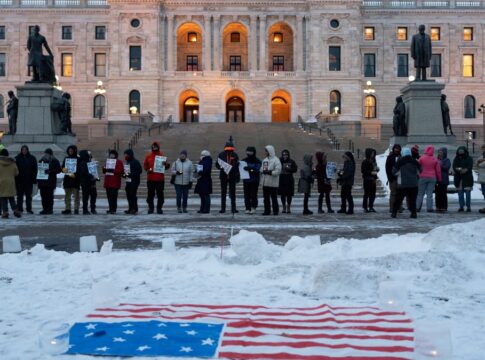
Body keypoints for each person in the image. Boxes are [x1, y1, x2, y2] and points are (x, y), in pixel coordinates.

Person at [391, 147, 421, 218]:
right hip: (414, 184)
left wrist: (398, 174)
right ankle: (414, 213)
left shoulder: (400, 161)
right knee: (412, 200)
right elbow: (421, 170)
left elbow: (393, 171)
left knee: (399, 199)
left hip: (403, 184)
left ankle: (394, 213)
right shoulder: (414, 161)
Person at [144, 141, 170, 214]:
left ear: (158, 147)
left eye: (156, 146)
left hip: (160, 179)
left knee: (160, 195)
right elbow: (145, 165)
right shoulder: (148, 156)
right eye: (153, 146)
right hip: (151, 178)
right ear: (152, 147)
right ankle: (151, 208)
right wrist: (148, 169)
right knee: (150, 195)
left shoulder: (162, 155)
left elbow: (166, 167)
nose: (154, 147)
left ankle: (159, 208)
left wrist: (166, 165)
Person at [216, 140, 240, 213]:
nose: (229, 149)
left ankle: (233, 208)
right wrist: (221, 167)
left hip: (232, 176)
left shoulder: (235, 155)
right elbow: (217, 164)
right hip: (223, 176)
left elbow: (237, 166)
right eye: (228, 147)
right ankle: (223, 208)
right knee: (223, 193)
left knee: (233, 193)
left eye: (230, 148)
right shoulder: (221, 154)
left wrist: (236, 166)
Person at [416, 146, 441, 212]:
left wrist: (418, 175)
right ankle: (429, 208)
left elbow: (417, 167)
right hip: (432, 177)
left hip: (422, 177)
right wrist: (439, 179)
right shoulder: (435, 159)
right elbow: (438, 170)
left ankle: (417, 207)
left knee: (420, 193)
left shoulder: (421, 158)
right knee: (429, 194)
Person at [37, 148, 61, 215]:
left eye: (47, 154)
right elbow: (39, 171)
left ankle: (50, 209)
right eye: (45, 154)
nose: (46, 155)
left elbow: (59, 170)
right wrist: (38, 181)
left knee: (50, 197)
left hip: (51, 182)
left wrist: (50, 171)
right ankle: (44, 209)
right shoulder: (41, 160)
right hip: (43, 182)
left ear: (50, 154)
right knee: (43, 196)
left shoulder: (55, 161)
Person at [15, 145, 37, 214]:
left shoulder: (32, 158)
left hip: (29, 180)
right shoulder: (17, 158)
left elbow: (35, 169)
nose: (24, 151)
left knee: (28, 196)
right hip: (20, 181)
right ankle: (19, 208)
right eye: (23, 150)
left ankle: (29, 209)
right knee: (19, 196)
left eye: (25, 150)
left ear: (27, 150)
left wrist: (34, 179)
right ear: (21, 150)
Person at [260, 145, 282, 216]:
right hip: (265, 182)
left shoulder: (276, 160)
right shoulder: (265, 160)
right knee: (266, 198)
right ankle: (267, 210)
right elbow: (261, 169)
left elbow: (278, 171)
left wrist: (270, 172)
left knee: (274, 198)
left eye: (266, 151)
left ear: (270, 151)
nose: (265, 152)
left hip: (273, 183)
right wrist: (262, 171)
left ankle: (275, 211)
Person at [0, 149, 21, 219]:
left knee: (3, 198)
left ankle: (5, 212)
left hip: (1, 182)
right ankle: (16, 210)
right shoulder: (12, 162)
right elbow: (16, 173)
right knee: (11, 198)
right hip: (10, 182)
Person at [102, 149, 124, 214]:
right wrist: (104, 169)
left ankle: (113, 209)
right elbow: (105, 171)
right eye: (110, 154)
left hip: (115, 182)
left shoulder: (119, 162)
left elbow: (121, 171)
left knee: (113, 197)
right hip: (108, 182)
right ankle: (110, 208)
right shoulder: (108, 161)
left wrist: (112, 170)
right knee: (109, 196)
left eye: (113, 154)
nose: (111, 155)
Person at [453, 146, 473, 212]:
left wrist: (466, 170)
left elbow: (470, 166)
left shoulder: (469, 158)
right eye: (459, 150)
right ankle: (461, 206)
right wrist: (457, 169)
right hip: (459, 178)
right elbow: (454, 166)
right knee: (460, 193)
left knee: (468, 193)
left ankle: (468, 207)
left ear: (465, 151)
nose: (460, 151)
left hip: (467, 178)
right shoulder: (456, 158)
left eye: (462, 150)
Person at [61, 145, 80, 215]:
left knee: (76, 196)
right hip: (67, 180)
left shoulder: (78, 159)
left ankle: (76, 209)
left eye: (72, 151)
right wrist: (66, 171)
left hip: (75, 179)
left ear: (74, 151)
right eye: (69, 151)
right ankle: (68, 208)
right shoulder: (66, 159)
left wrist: (75, 174)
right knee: (67, 196)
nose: (70, 152)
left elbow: (80, 169)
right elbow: (62, 168)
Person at [242, 146, 261, 214]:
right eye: (248, 152)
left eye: (250, 152)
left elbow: (257, 170)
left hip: (254, 180)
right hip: (246, 180)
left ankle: (253, 207)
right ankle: (247, 207)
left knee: (253, 195)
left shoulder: (257, 161)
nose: (249, 153)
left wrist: (250, 169)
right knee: (246, 195)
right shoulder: (244, 160)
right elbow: (241, 168)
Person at [123, 149, 142, 215]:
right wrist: (124, 174)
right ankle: (130, 208)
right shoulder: (127, 162)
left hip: (134, 181)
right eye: (125, 155)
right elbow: (126, 172)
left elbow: (139, 171)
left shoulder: (135, 162)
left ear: (130, 154)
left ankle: (134, 208)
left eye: (126, 154)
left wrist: (130, 174)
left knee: (132, 195)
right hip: (128, 181)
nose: (125, 156)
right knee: (128, 195)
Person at [278, 149, 298, 214]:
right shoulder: (279, 161)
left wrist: (289, 169)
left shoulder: (291, 161)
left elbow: (295, 169)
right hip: (282, 179)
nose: (285, 156)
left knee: (289, 194)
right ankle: (284, 207)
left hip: (289, 179)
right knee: (282, 194)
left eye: (286, 154)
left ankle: (288, 207)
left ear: (288, 155)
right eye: (284, 154)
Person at [78, 150, 97, 215]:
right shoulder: (83, 162)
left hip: (92, 181)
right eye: (88, 154)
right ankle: (85, 210)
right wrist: (92, 176)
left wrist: (95, 177)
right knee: (86, 196)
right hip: (85, 182)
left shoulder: (90, 161)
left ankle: (92, 209)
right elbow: (84, 172)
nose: (89, 155)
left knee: (93, 196)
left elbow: (93, 170)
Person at [385, 144, 401, 212]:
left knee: (400, 193)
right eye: (396, 148)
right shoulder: (390, 157)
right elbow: (387, 168)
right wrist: (389, 177)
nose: (397, 150)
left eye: (398, 148)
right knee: (393, 193)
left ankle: (399, 207)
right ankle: (392, 208)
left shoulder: (401, 157)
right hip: (392, 178)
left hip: (400, 178)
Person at [435, 147, 451, 213]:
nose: (440, 153)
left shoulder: (447, 160)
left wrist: (440, 165)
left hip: (444, 179)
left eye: (441, 152)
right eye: (439, 152)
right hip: (437, 179)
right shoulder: (436, 159)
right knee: (437, 194)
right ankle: (438, 206)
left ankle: (444, 207)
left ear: (444, 153)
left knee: (443, 194)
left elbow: (447, 167)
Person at [477, 144, 485, 214]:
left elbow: (481, 164)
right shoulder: (482, 156)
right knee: (484, 192)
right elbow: (476, 163)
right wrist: (479, 162)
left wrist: (480, 162)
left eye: (483, 148)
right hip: (482, 177)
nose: (482, 149)